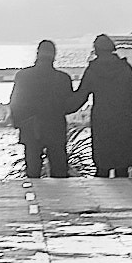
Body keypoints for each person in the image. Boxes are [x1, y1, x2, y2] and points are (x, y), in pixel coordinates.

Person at [71, 34, 132, 176]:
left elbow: (80, 97)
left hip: (102, 120)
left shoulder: (93, 70)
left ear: (96, 50)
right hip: (124, 118)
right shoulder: (124, 68)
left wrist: (61, 108)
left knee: (102, 166)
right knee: (122, 166)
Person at [8, 39, 78, 178]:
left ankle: (33, 199)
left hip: (31, 128)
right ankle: (60, 199)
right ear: (54, 56)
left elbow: (15, 103)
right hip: (55, 128)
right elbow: (70, 106)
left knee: (32, 173)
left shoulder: (23, 76)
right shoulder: (63, 78)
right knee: (59, 174)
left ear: (38, 54)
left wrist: (19, 124)